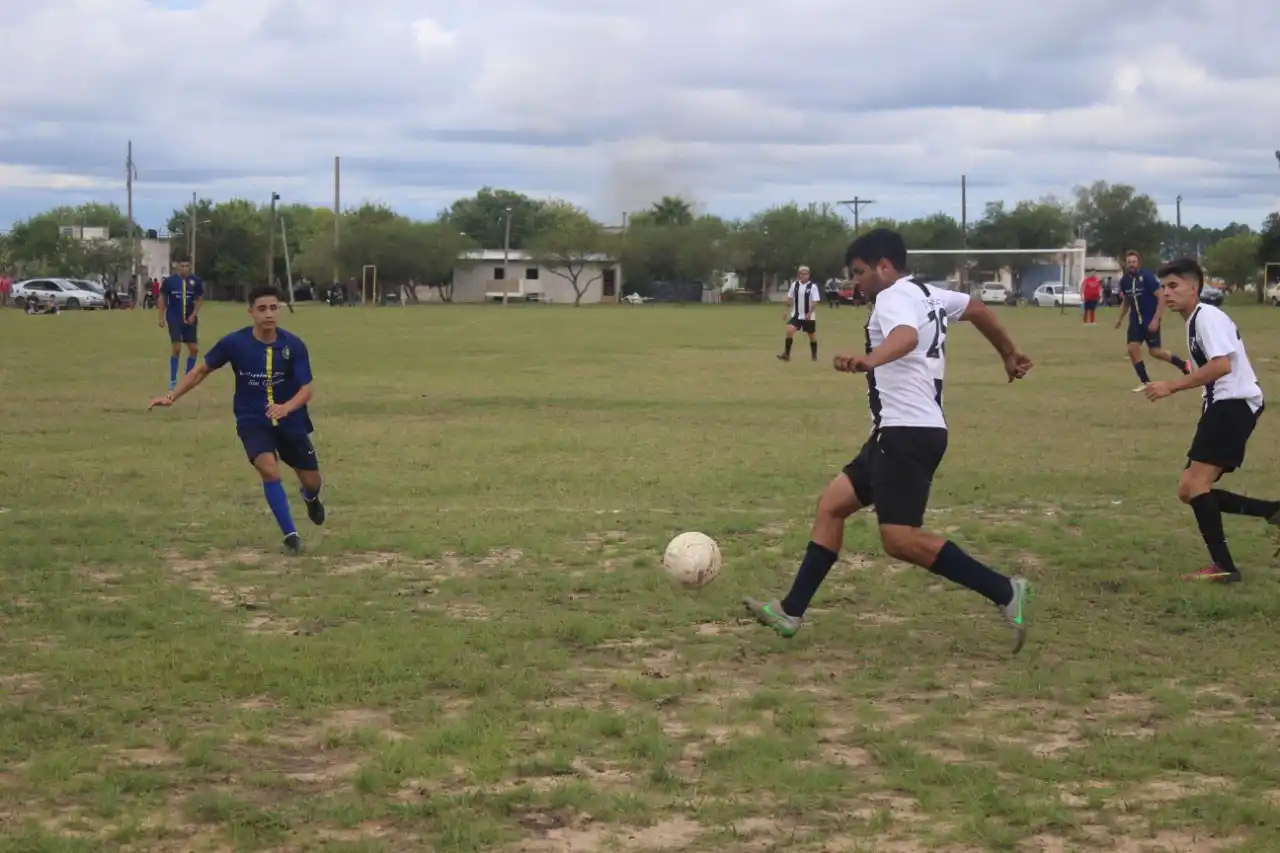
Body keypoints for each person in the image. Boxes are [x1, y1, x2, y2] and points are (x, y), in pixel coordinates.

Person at [745, 228, 1034, 653]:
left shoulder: (894, 296)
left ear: (884, 266)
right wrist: (1008, 352)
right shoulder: (929, 294)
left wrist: (869, 359)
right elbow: (976, 309)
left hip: (905, 433)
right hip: (901, 432)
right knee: (832, 505)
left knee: (899, 540)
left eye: (860, 272)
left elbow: (907, 337)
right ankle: (790, 610)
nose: (855, 282)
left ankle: (1006, 592)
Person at [147, 286, 326, 555]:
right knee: (269, 469)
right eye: (262, 309)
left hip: (291, 419)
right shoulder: (234, 343)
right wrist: (173, 396)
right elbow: (200, 371)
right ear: (251, 312)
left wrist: (286, 408)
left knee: (312, 481)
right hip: (251, 417)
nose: (268, 314)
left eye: (273, 308)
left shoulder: (293, 345)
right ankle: (291, 535)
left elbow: (307, 389)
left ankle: (310, 497)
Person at [1142, 258, 1280, 583]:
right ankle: (1271, 512)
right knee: (1189, 489)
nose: (1166, 293)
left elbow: (1221, 367)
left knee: (1194, 486)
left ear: (1195, 287)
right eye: (1163, 287)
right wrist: (1173, 361)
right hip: (1226, 405)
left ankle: (1225, 567)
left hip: (1232, 404)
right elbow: (1207, 367)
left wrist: (1171, 387)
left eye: (1173, 286)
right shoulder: (1194, 321)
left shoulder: (1206, 317)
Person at [1115, 251, 1190, 392]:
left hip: (1150, 320)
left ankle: (1183, 364)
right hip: (1135, 321)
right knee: (1132, 349)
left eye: (1134, 261)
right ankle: (1145, 382)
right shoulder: (1124, 280)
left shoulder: (1147, 277)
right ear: (1126, 264)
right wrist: (1119, 319)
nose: (1131, 264)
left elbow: (1161, 297)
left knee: (1155, 352)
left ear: (1139, 263)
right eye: (1129, 262)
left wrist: (1156, 318)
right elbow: (1126, 300)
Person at [158, 261, 204, 390]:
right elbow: (162, 298)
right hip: (174, 318)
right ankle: (173, 380)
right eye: (182, 266)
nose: (185, 269)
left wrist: (193, 315)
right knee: (177, 349)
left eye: (187, 266)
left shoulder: (195, 281)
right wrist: (161, 317)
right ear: (177, 267)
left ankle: (187, 378)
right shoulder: (170, 282)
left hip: (190, 320)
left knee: (193, 349)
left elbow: (200, 298)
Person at [777, 266, 821, 362]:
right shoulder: (794, 285)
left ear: (809, 275)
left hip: (808, 316)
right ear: (799, 275)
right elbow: (790, 298)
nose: (804, 276)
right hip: (796, 315)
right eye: (802, 274)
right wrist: (785, 311)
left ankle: (814, 356)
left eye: (806, 274)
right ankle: (786, 355)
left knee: (811, 335)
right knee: (789, 331)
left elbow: (815, 301)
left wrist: (810, 313)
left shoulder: (812, 287)